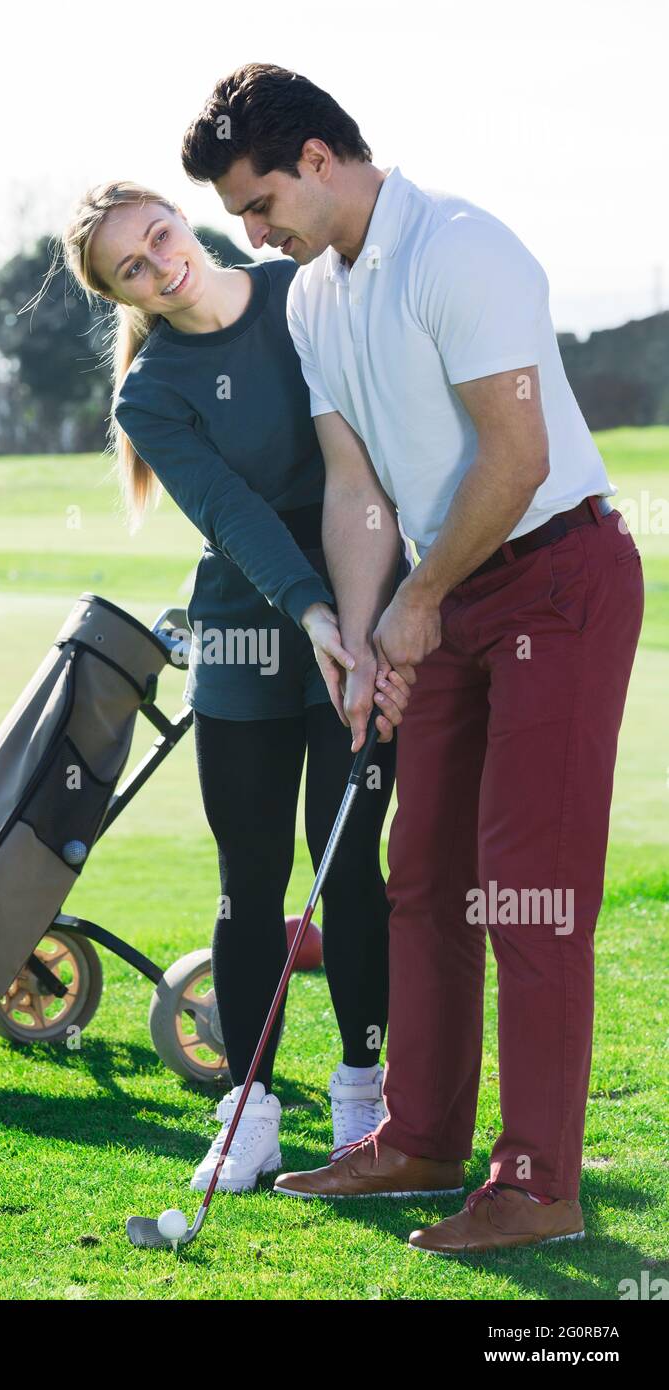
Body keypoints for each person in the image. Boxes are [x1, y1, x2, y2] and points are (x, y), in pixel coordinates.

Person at [182, 63, 644, 1251]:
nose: (251, 232)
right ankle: (419, 1137)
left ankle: (538, 1180)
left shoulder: (459, 247)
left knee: (523, 890)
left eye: (259, 202)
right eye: (240, 215)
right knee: (419, 875)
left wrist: (417, 602)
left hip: (555, 574)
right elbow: (354, 487)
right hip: (444, 595)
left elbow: (516, 452)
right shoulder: (307, 297)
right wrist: (355, 631)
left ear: (321, 161)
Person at [54, 181, 410, 1193]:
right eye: (131, 265)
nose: (159, 262)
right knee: (246, 877)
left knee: (345, 864)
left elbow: (373, 449)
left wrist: (367, 612)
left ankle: (360, 1093)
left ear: (179, 215)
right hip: (250, 626)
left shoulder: (300, 289)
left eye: (159, 234)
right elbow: (231, 512)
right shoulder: (150, 391)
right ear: (121, 289)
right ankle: (248, 1115)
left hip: (363, 592)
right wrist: (311, 614)